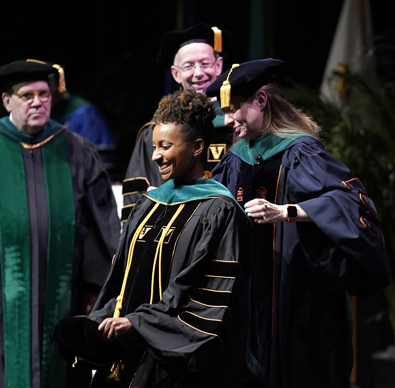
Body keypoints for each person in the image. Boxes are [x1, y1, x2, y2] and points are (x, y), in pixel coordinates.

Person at [50, 89, 256, 388]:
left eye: (166, 146)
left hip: (176, 364)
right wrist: (101, 324)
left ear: (198, 146)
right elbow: (123, 280)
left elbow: (212, 295)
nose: (155, 155)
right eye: (154, 146)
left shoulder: (219, 210)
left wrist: (139, 323)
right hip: (127, 352)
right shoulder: (149, 204)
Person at [206, 58, 391, 388]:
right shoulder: (236, 157)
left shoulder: (300, 151)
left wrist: (286, 212)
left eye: (235, 108)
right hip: (247, 294)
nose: (229, 119)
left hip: (297, 293)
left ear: (261, 101)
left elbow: (348, 203)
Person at [0, 60, 120, 388]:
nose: (38, 101)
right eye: (27, 95)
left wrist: (95, 287)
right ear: (7, 101)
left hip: (63, 301)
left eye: (43, 94)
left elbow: (100, 224)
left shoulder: (78, 151)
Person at [121, 22, 233, 223]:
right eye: (189, 66)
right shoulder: (155, 130)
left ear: (219, 66)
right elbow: (135, 195)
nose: (198, 73)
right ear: (175, 73)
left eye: (205, 64)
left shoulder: (238, 123)